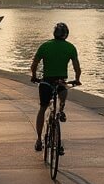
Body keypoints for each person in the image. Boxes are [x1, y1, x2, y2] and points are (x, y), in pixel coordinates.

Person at [30, 22, 81, 153]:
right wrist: (77, 79)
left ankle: (38, 140)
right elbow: (77, 68)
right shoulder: (70, 47)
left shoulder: (45, 46)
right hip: (60, 82)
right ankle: (61, 110)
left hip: (46, 82)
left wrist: (34, 76)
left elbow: (34, 64)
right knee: (63, 93)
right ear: (66, 34)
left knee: (42, 108)